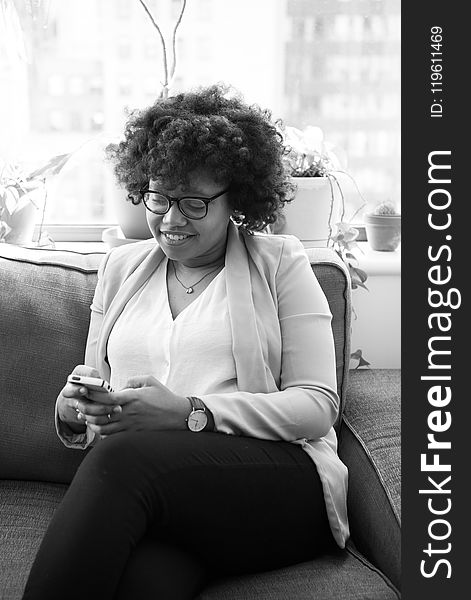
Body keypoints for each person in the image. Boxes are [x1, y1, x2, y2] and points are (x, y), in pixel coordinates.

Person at [23, 84, 349, 600]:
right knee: (145, 581)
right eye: (159, 197)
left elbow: (316, 407)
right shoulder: (121, 269)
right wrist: (77, 411)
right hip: (169, 498)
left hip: (275, 482)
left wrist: (190, 413)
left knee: (121, 460)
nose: (171, 220)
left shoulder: (281, 262)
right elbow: (100, 393)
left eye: (194, 202)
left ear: (236, 199)